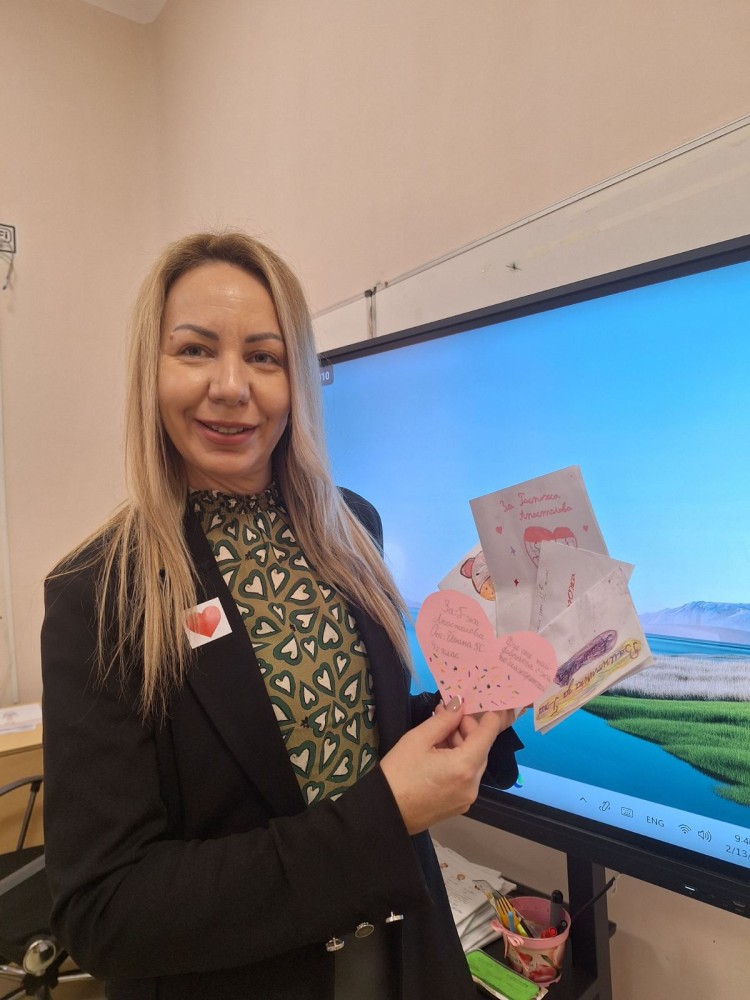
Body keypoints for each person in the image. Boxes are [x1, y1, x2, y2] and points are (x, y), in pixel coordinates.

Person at [41, 231, 523, 1000]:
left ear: (296, 378)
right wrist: (384, 814)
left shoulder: (351, 526)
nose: (232, 387)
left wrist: (466, 713)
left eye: (264, 357)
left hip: (410, 961)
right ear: (150, 371)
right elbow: (105, 912)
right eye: (195, 350)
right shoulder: (98, 593)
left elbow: (343, 732)